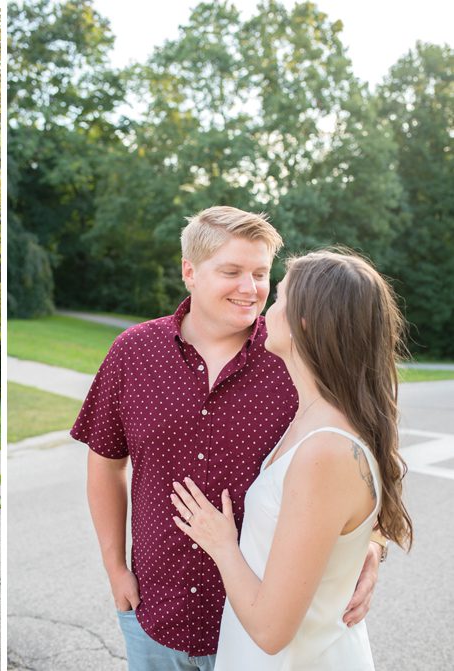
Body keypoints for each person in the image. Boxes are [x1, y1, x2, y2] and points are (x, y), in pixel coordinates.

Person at [71, 207, 383, 670]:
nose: (250, 288)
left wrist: (370, 545)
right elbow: (106, 461)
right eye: (232, 271)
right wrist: (115, 567)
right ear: (190, 272)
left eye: (261, 274)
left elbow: (360, 455)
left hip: (258, 627)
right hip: (154, 613)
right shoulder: (133, 352)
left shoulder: (296, 357)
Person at [171, 249, 412, 669]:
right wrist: (369, 547)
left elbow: (270, 630)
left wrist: (221, 543)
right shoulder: (313, 416)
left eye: (280, 298)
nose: (268, 309)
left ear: (304, 321)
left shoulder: (326, 450)